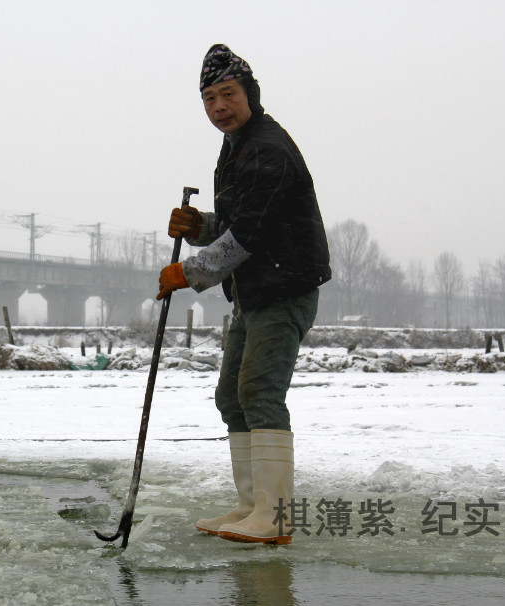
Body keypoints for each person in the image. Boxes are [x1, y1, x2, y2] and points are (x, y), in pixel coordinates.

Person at [158, 44, 331, 544]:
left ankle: (275, 517)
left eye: (227, 94)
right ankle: (251, 505)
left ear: (249, 95)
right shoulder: (235, 149)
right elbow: (235, 225)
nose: (218, 107)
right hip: (253, 292)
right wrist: (198, 227)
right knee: (232, 397)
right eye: (209, 98)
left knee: (259, 393)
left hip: (285, 289)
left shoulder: (267, 150)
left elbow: (251, 236)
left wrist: (187, 273)